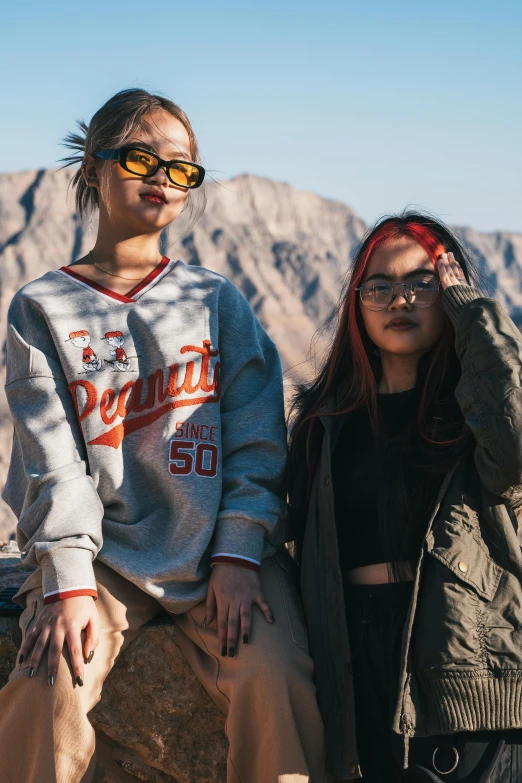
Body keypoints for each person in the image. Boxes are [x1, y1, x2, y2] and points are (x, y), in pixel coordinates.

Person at [0, 88, 329, 783]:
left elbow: (257, 439)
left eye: (182, 168)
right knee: (48, 684)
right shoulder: (43, 306)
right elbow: (51, 456)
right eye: (141, 157)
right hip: (105, 556)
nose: (162, 178)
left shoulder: (214, 301)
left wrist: (241, 552)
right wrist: (64, 581)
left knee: (278, 678)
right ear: (94, 166)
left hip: (219, 551)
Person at [287, 213, 522, 782]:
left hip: (462, 658)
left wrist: (473, 312)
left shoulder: (474, 415)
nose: (400, 301)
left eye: (423, 284)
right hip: (352, 655)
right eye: (381, 287)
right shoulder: (326, 423)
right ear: (356, 303)